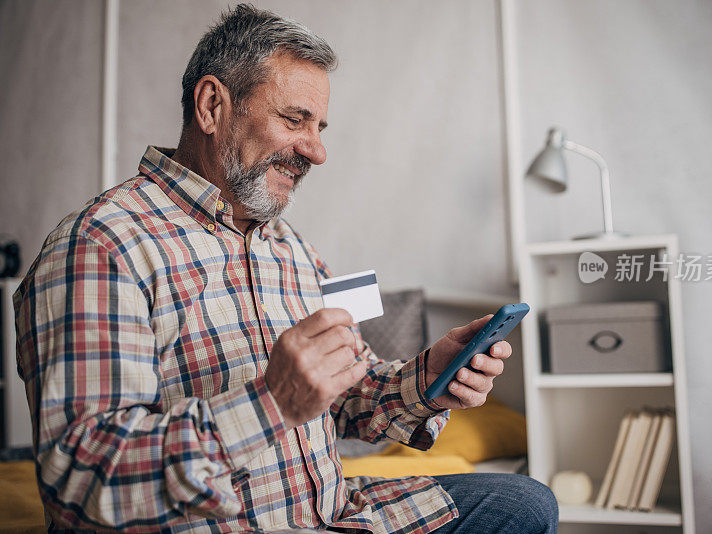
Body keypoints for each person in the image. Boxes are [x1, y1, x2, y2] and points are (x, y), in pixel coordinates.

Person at [14, 5, 557, 533]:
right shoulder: (102, 245)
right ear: (211, 106)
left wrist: (427, 380)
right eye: (294, 120)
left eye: (320, 126)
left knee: (526, 503)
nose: (317, 152)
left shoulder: (290, 247)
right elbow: (82, 483)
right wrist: (271, 405)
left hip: (335, 514)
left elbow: (345, 393)